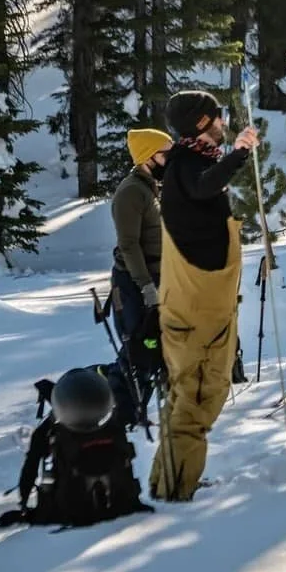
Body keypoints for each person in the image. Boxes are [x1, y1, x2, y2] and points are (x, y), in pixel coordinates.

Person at [151, 89, 258, 501]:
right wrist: (239, 154)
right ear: (201, 123)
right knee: (196, 401)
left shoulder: (186, 163)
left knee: (184, 400)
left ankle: (168, 483)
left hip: (197, 307)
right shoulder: (189, 168)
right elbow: (203, 187)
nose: (223, 121)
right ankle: (176, 494)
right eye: (217, 116)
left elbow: (206, 186)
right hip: (198, 313)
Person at [110, 128, 173, 401]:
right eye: (165, 155)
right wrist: (146, 286)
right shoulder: (131, 193)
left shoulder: (151, 188)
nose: (170, 160)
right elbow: (129, 244)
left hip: (158, 277)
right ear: (149, 157)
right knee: (137, 344)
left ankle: (159, 395)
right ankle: (126, 404)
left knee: (160, 343)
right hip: (133, 283)